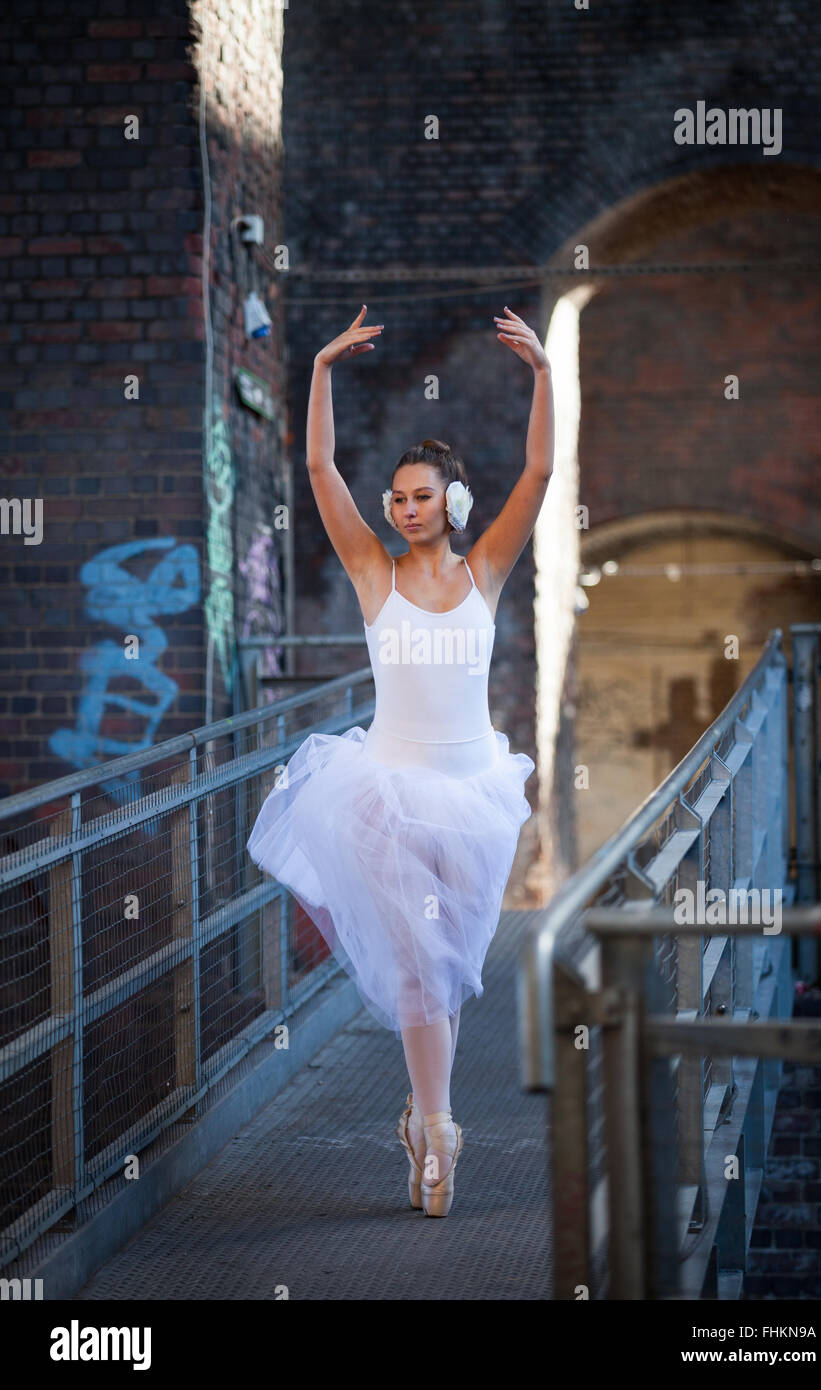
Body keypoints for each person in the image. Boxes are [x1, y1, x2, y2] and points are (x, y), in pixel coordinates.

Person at [247, 304, 555, 1216]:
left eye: (423, 496)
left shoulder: (485, 571)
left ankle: (422, 1115)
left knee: (451, 965)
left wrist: (543, 372)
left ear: (454, 506)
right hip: (381, 791)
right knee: (422, 968)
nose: (405, 507)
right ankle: (442, 1133)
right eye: (398, 497)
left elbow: (540, 471)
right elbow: (316, 467)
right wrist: (321, 370)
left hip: (471, 796)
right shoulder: (373, 572)